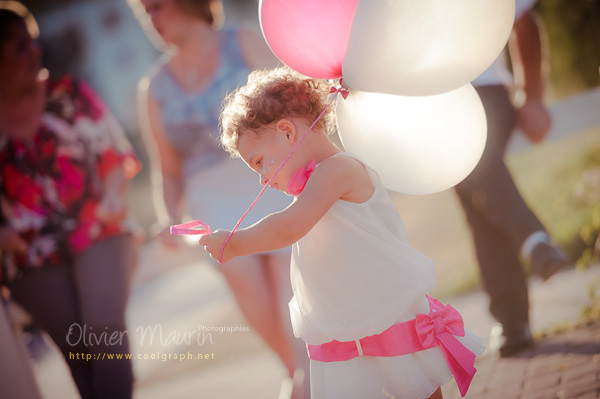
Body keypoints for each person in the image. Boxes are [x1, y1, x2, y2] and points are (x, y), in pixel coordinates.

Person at [200, 66, 485, 399]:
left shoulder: (338, 171)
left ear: (287, 132)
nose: (262, 178)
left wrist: (235, 244)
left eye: (260, 161)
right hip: (343, 320)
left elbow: (288, 226)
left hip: (383, 309)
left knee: (415, 389)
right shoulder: (310, 186)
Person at [131, 0, 309, 395]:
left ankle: (302, 382)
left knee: (290, 295)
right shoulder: (154, 88)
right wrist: (168, 219)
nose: (150, 20)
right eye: (144, 12)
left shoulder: (242, 42)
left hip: (270, 185)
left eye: (156, 7)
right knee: (252, 295)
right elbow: (168, 169)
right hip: (212, 206)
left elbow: (293, 114)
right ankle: (299, 378)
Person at [0, 3, 141, 398]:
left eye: (33, 42)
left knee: (103, 328)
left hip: (98, 226)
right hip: (29, 254)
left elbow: (114, 158)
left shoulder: (69, 94)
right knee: (77, 352)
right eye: (18, 48)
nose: (34, 52)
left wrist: (114, 196)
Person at [454, 0, 570, 358]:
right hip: (436, 105)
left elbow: (523, 18)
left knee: (481, 177)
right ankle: (532, 246)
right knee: (480, 206)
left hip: (486, 92)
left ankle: (512, 317)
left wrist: (533, 96)